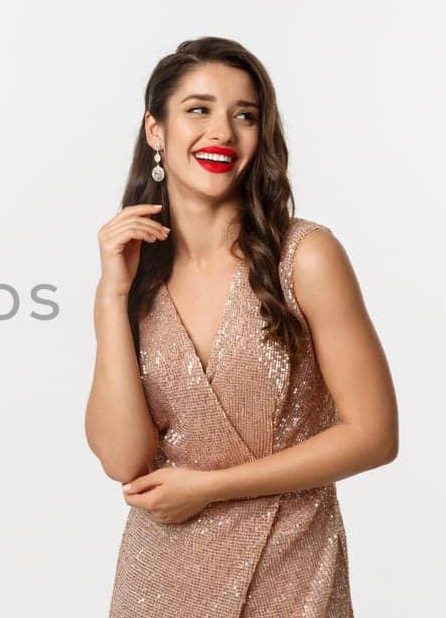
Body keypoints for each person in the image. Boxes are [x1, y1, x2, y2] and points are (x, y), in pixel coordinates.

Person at [84, 37, 399, 617]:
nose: (223, 132)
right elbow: (124, 461)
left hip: (292, 566)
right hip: (161, 577)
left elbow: (374, 435)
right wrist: (111, 296)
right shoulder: (135, 276)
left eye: (244, 115)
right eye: (198, 109)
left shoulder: (305, 256)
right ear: (155, 129)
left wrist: (207, 488)